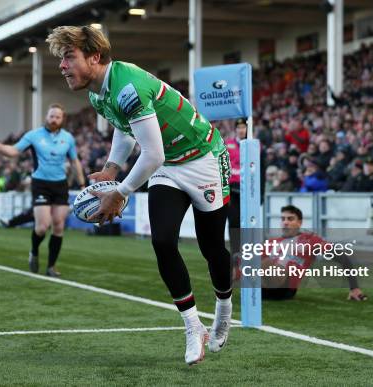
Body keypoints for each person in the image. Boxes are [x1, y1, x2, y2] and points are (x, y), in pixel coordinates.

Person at [46, 25, 233, 365]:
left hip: (204, 157)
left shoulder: (126, 85)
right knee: (162, 241)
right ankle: (193, 326)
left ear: (95, 57)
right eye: (61, 59)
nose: (62, 66)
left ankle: (223, 307)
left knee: (211, 247)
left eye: (68, 57)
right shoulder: (97, 93)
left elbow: (152, 155)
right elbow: (125, 129)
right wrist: (113, 168)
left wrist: (119, 192)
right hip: (169, 165)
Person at [0, 103, 85, 277]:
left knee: (58, 225)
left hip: (60, 184)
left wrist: (83, 184)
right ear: (46, 117)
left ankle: (51, 267)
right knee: (41, 227)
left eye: (57, 117)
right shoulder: (34, 135)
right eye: (51, 116)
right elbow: (14, 151)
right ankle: (34, 251)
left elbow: (75, 161)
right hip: (40, 183)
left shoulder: (68, 138)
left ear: (62, 119)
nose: (54, 119)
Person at [260, 205, 367, 301]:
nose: (285, 222)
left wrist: (354, 287)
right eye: (283, 219)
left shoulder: (310, 241)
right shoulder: (271, 242)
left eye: (290, 219)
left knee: (267, 264)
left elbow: (342, 257)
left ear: (299, 222)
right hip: (263, 286)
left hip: (284, 289)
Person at [225, 118, 246, 260]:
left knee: (247, 222)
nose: (241, 130)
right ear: (235, 129)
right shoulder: (229, 144)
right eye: (239, 127)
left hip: (247, 189)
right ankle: (235, 251)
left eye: (244, 127)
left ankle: (247, 251)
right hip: (232, 188)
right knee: (233, 220)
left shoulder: (253, 145)